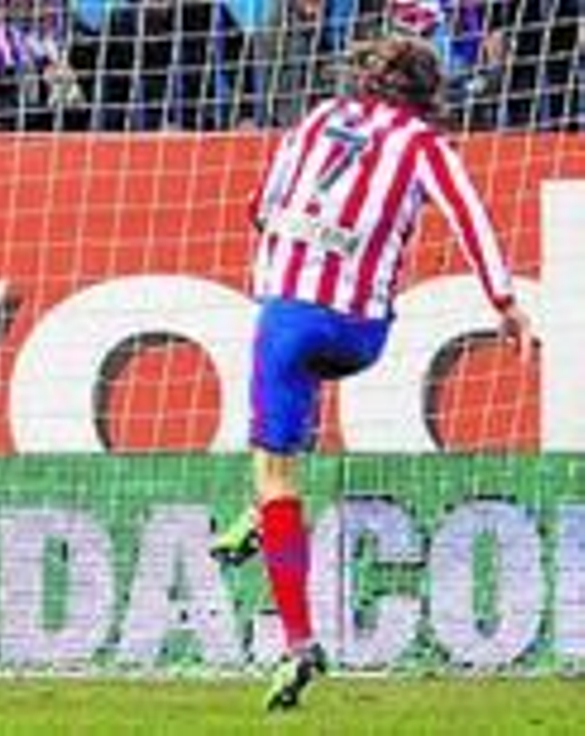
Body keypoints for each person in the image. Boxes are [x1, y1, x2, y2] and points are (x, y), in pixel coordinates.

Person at [210, 36, 536, 710]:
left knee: (275, 474)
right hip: (361, 332)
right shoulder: (421, 143)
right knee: (308, 395)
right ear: (425, 93)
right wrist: (504, 304)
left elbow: (261, 207)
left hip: (288, 315)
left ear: (364, 80)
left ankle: (298, 642)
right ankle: (262, 515)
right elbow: (470, 217)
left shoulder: (315, 119)